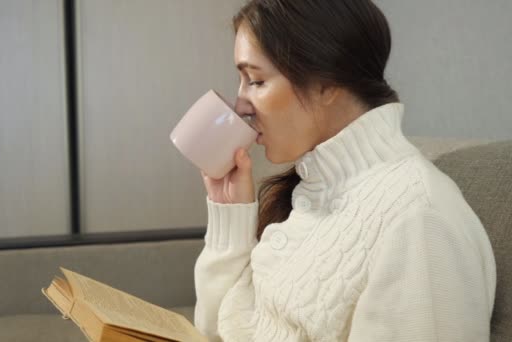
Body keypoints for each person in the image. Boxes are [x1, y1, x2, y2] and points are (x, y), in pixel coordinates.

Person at [193, 0, 496, 341]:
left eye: (256, 81)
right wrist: (230, 219)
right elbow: (214, 331)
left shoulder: (420, 220)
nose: (240, 104)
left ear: (327, 84)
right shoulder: (314, 192)